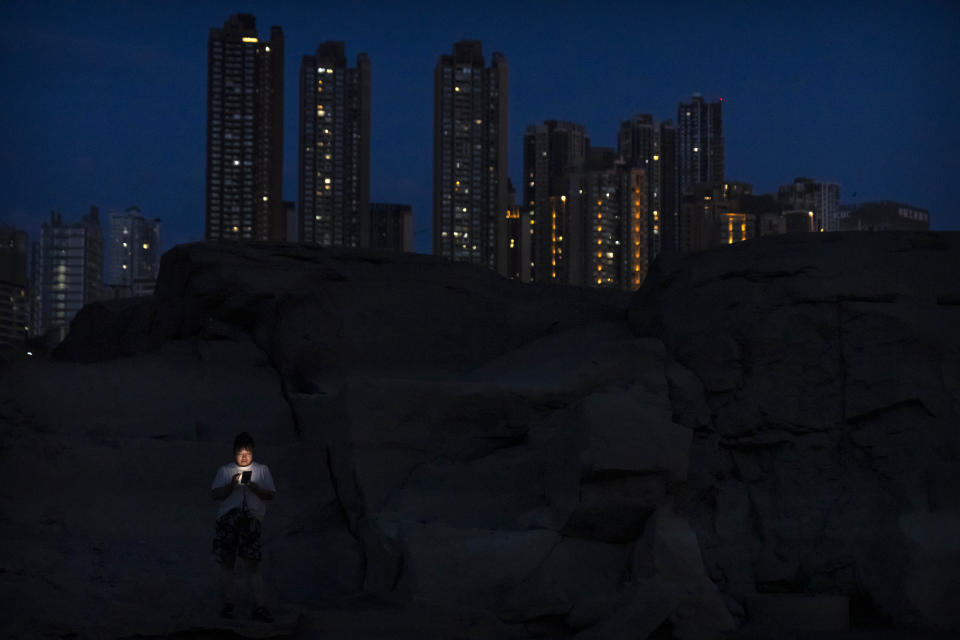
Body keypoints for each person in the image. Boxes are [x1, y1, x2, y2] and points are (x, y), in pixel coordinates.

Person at [210, 432, 277, 622]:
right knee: (227, 562)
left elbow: (270, 495)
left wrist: (254, 487)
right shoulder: (225, 470)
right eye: (241, 452)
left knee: (253, 564)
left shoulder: (262, 470)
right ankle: (228, 605)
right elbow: (215, 494)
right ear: (234, 452)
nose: (245, 456)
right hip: (228, 520)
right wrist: (232, 486)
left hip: (251, 520)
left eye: (248, 452)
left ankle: (260, 607)